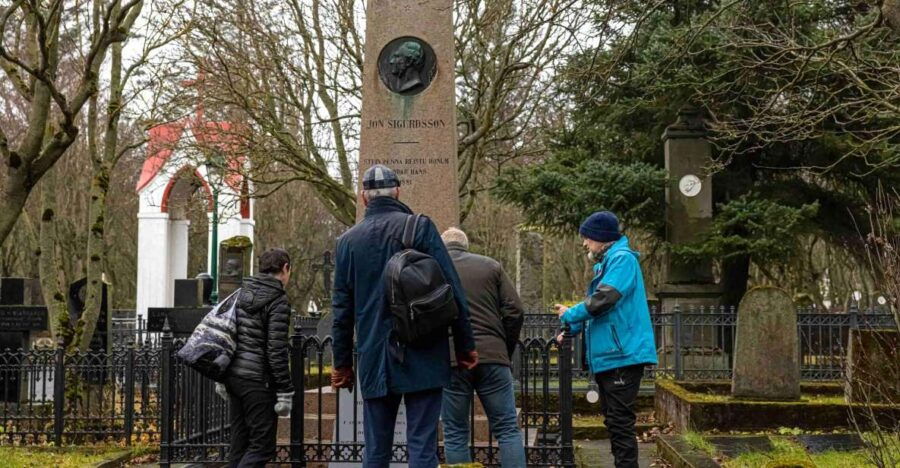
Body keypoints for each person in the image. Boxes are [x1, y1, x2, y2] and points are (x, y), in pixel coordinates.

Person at [331, 164, 478, 468]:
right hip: (424, 350)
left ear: (363, 198)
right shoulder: (420, 228)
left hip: (375, 356)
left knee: (375, 451)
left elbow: (342, 311)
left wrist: (342, 364)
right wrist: (465, 345)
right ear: (397, 192)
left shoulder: (347, 242)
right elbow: (452, 289)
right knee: (422, 448)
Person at [555, 211, 657, 468]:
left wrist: (570, 314)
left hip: (622, 354)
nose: (584, 243)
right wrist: (572, 327)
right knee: (614, 421)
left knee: (620, 423)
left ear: (602, 239)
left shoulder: (622, 260)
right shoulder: (610, 263)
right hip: (613, 355)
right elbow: (602, 310)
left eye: (587, 238)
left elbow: (604, 299)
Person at [440, 228, 526, 467]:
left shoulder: (434, 268)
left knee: (455, 433)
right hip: (492, 356)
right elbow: (515, 310)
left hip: (452, 358)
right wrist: (503, 347)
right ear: (466, 245)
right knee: (507, 429)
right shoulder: (491, 266)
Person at [217, 248, 295, 468]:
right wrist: (285, 390)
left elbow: (227, 335)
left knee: (239, 443)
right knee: (262, 447)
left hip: (234, 377)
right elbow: (276, 350)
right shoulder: (278, 300)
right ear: (285, 268)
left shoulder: (240, 293)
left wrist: (221, 377)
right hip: (258, 380)